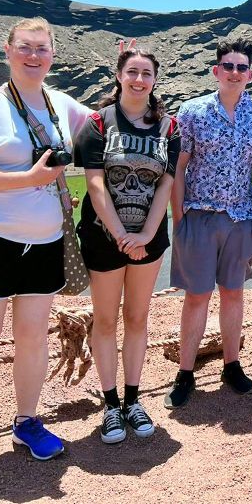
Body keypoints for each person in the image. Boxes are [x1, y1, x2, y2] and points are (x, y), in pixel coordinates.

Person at [0, 17, 91, 486]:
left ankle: (27, 421)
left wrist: (128, 73)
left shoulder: (60, 104)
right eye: (25, 47)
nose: (34, 56)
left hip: (43, 243)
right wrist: (24, 181)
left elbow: (109, 120)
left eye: (42, 49)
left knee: (33, 337)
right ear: (7, 51)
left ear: (52, 55)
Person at [164, 37, 252, 408]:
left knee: (233, 293)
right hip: (198, 215)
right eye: (227, 66)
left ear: (251, 74)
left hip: (242, 219)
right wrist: (178, 216)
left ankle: (231, 364)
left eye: (241, 67)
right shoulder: (192, 112)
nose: (234, 72)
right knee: (197, 296)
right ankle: (185, 372)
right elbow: (178, 167)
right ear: (216, 71)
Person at [76, 47, 180, 443]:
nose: (139, 79)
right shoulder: (98, 125)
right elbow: (96, 184)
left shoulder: (169, 129)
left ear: (155, 80)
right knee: (105, 320)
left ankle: (133, 400)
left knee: (137, 318)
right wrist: (122, 235)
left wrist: (146, 236)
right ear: (119, 75)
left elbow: (166, 185)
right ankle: (109, 405)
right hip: (105, 238)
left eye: (146, 73)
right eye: (132, 71)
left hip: (148, 240)